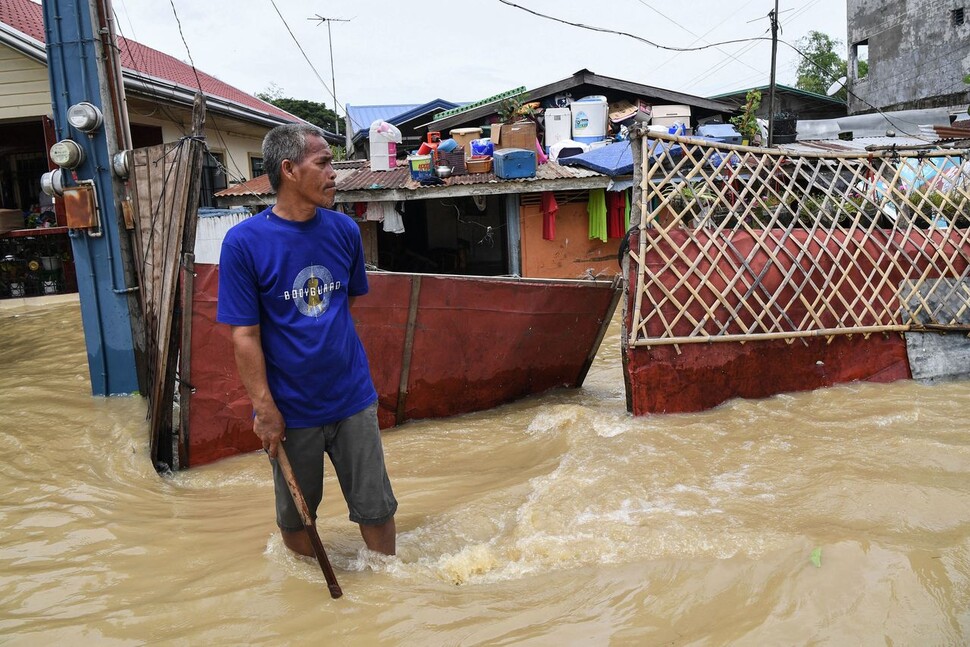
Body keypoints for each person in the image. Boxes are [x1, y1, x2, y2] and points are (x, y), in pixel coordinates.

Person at [217, 123, 397, 557]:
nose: (335, 173)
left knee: (376, 508)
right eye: (324, 162)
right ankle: (306, 586)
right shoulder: (244, 243)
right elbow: (244, 335)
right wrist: (265, 409)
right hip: (291, 409)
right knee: (297, 517)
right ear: (289, 170)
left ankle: (388, 586)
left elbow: (344, 308)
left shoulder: (344, 231)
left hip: (352, 396)